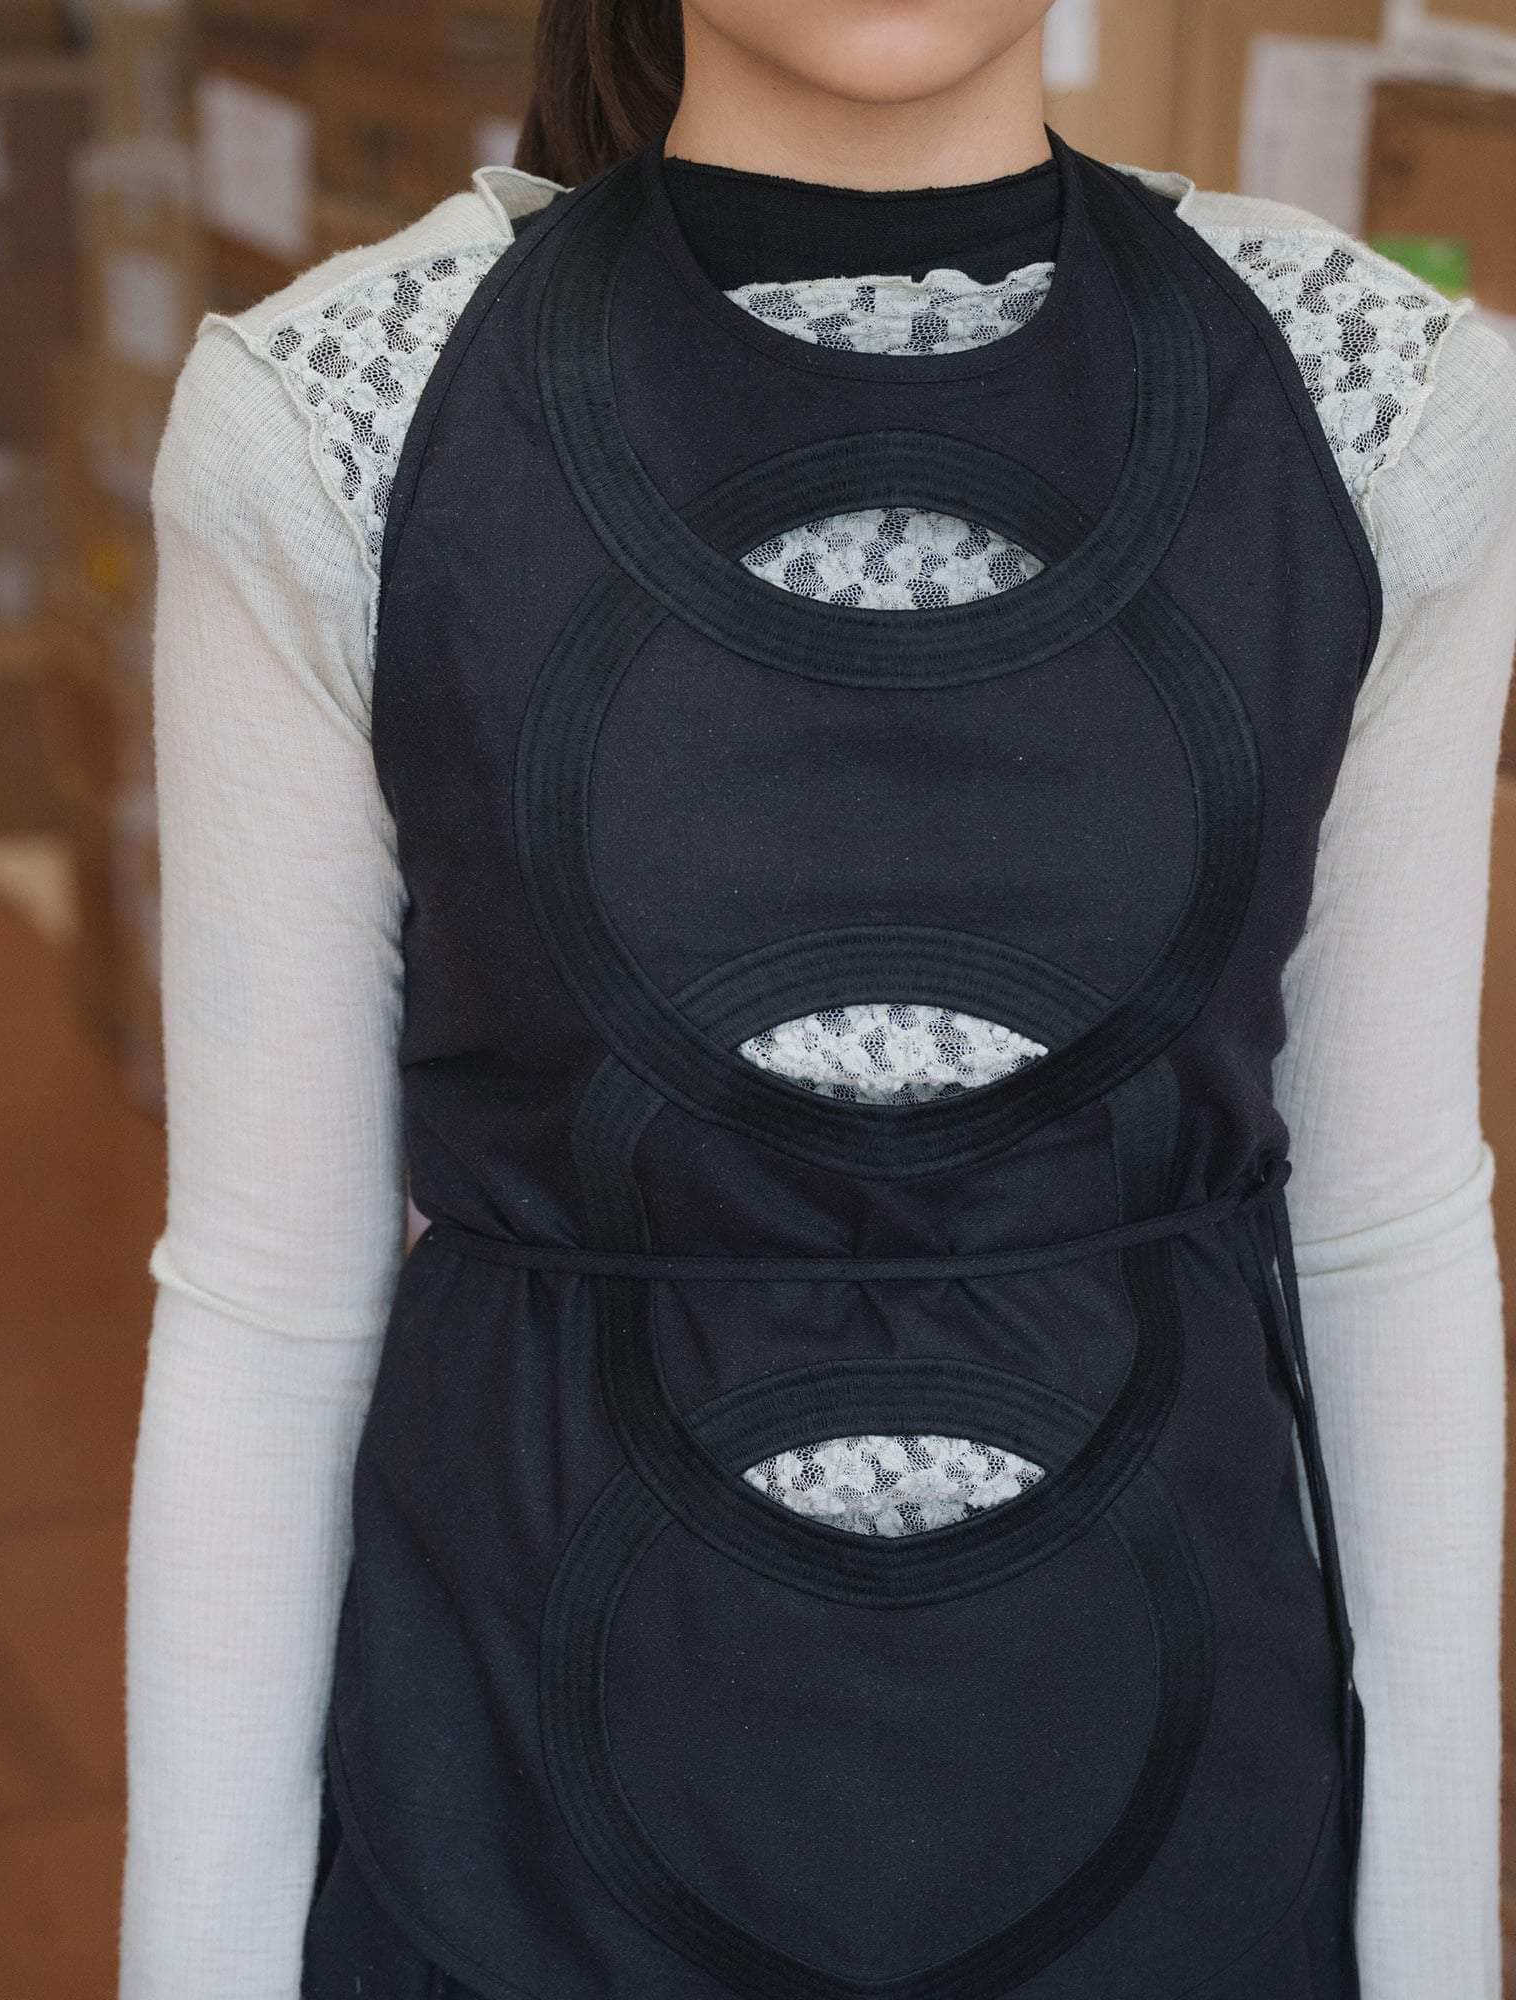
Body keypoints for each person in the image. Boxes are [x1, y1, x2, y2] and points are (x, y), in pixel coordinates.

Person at [119, 3, 1516, 1997]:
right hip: (518, 1840)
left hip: (1183, 1834)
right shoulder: (339, 413)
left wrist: (1435, 1943)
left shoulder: (1374, 401)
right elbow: (272, 1310)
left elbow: (1381, 1232)